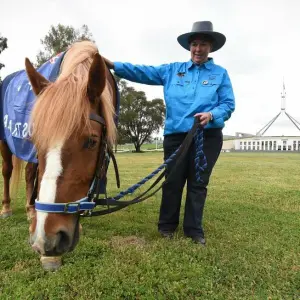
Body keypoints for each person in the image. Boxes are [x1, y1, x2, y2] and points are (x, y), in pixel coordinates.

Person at [104, 21, 235, 245]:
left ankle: (194, 230)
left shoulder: (220, 74)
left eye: (203, 44)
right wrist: (114, 65)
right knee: (172, 181)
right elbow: (142, 72)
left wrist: (211, 115)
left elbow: (228, 104)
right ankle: (166, 227)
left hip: (207, 137)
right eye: (194, 44)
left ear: (210, 47)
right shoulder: (172, 70)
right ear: (189, 47)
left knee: (198, 183)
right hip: (176, 136)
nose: (198, 49)